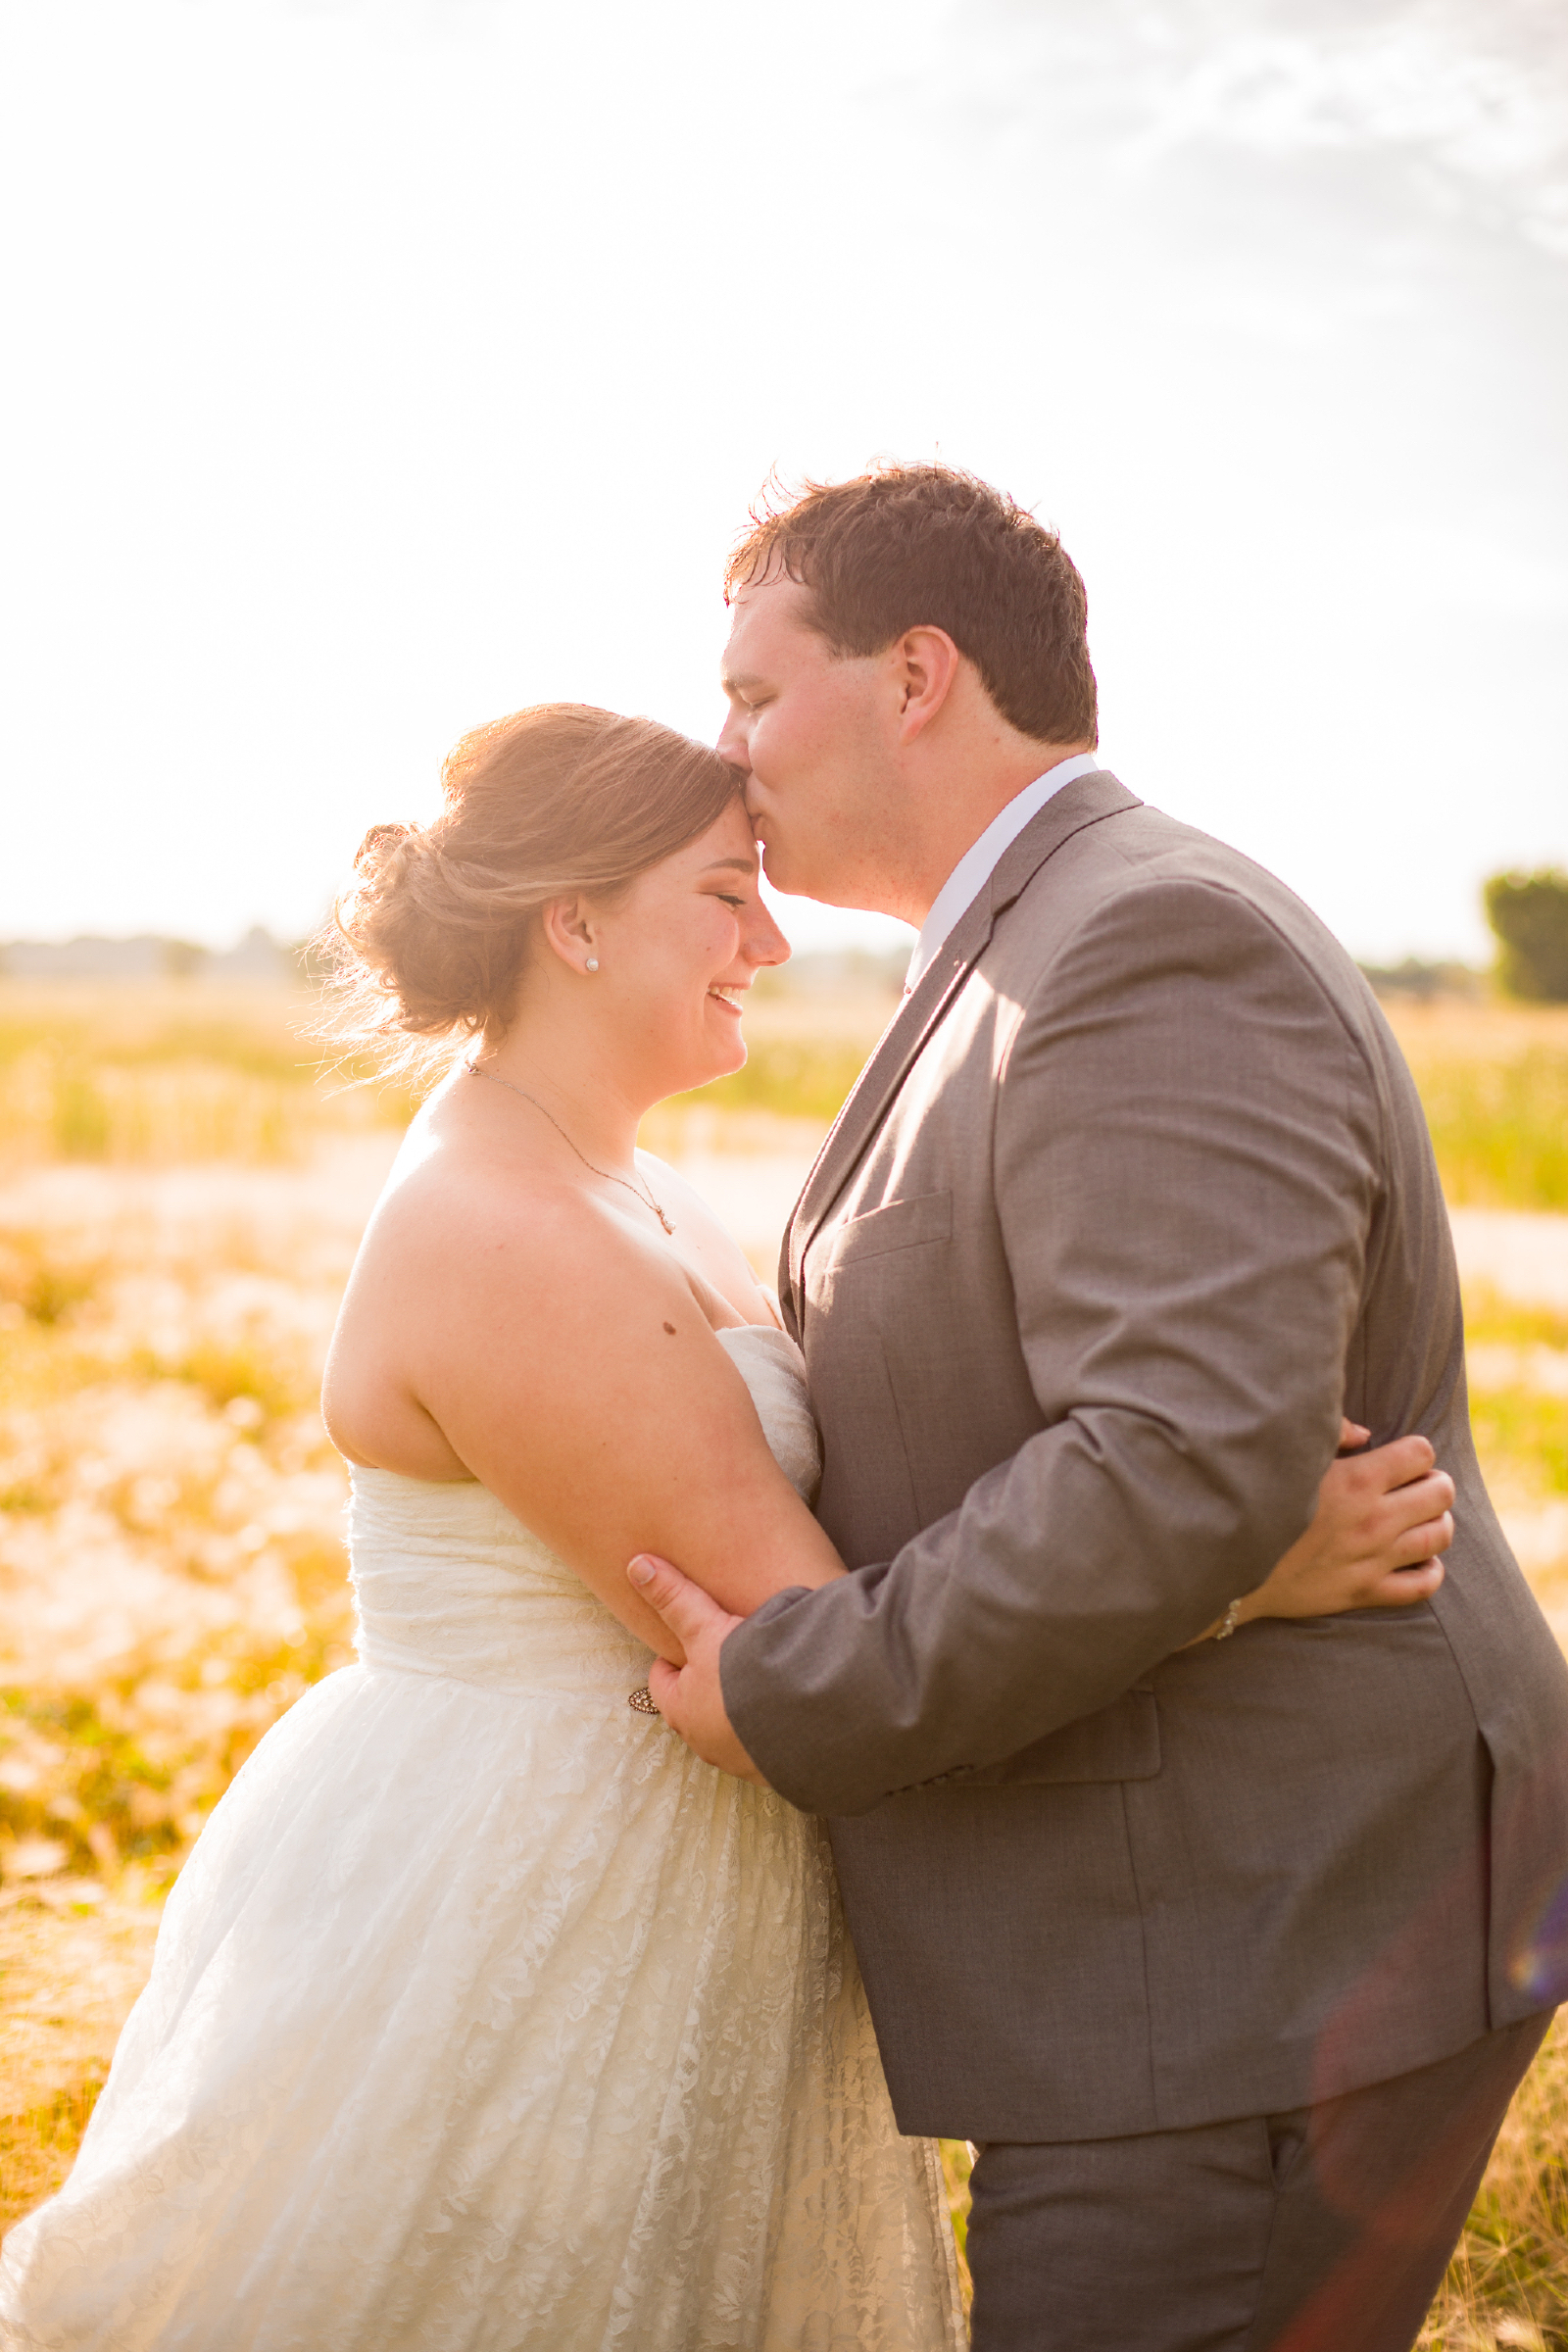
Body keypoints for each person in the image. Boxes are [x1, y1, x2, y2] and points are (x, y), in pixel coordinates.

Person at [0, 704, 1450, 2351]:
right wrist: (1234, 1577)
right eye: (722, 893)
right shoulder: (502, 1231)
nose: (769, 935)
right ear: (576, 922)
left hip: (675, 1860)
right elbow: (803, 1624)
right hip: (531, 1903)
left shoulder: (626, 1179)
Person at [626, 465, 1568, 2352]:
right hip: (1189, 1928)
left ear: (916, 675)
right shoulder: (1027, 939)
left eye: (752, 692)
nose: (722, 749)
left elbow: (1180, 1462)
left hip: (1248, 1940)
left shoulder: (1142, 943)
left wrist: (797, 1687)